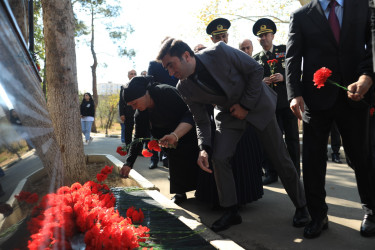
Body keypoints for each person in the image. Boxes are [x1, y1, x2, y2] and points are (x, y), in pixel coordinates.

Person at [157, 38, 309, 232]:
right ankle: (231, 211)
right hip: (228, 115)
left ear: (186, 56)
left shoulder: (219, 52)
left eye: (171, 65)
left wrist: (245, 105)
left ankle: (302, 206)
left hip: (256, 105)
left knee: (279, 157)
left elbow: (256, 70)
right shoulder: (183, 87)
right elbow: (201, 120)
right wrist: (204, 148)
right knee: (219, 158)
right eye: (166, 68)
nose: (170, 72)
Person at [286, 0, 375, 238]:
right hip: (315, 100)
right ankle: (318, 215)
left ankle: (371, 210)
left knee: (361, 156)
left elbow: (373, 45)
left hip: (356, 95)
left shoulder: (363, 6)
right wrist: (294, 94)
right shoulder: (301, 15)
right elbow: (292, 58)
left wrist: (367, 76)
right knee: (314, 161)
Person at [203, 18, 264, 209]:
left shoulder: (238, 55)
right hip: (221, 115)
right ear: (212, 39)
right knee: (222, 157)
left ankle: (245, 196)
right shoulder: (206, 59)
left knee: (243, 156)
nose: (222, 39)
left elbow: (254, 75)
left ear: (228, 36)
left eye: (224, 35)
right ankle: (225, 201)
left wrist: (245, 105)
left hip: (242, 112)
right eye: (218, 36)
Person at [119, 76, 199, 204]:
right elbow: (138, 138)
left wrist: (176, 134)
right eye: (131, 105)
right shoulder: (140, 113)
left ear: (145, 93)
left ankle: (200, 190)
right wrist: (129, 163)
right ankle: (180, 193)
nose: (134, 108)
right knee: (175, 162)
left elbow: (190, 112)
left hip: (187, 128)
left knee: (194, 158)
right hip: (168, 139)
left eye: (135, 103)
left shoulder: (166, 92)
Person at [253, 18, 301, 184]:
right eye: (260, 36)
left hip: (286, 104)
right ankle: (272, 173)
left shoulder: (284, 50)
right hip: (269, 107)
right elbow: (252, 82)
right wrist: (261, 81)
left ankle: (295, 172)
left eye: (266, 34)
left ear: (273, 35)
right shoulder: (255, 58)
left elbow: (295, 71)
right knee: (272, 142)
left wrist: (284, 76)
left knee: (292, 139)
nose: (263, 38)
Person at [119, 69, 137, 146]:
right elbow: (121, 102)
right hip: (128, 113)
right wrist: (122, 114)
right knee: (128, 131)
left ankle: (137, 150)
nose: (133, 75)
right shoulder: (124, 87)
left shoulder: (141, 86)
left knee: (139, 132)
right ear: (128, 75)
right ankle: (128, 147)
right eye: (131, 74)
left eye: (134, 74)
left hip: (139, 111)